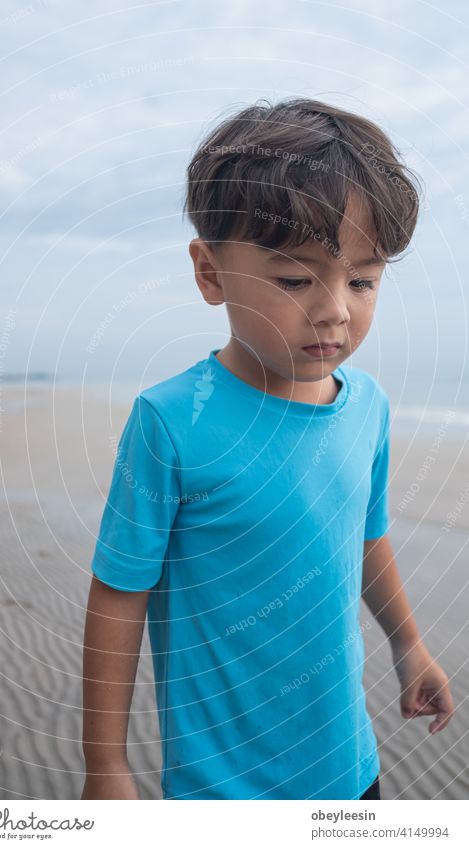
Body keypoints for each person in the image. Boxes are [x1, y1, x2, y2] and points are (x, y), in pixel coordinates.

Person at [81, 97, 455, 801]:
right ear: (210, 272)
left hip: (349, 774)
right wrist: (105, 765)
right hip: (221, 793)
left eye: (362, 279)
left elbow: (365, 536)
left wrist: (409, 645)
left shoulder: (367, 407)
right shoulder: (170, 423)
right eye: (294, 278)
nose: (335, 309)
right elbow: (118, 593)